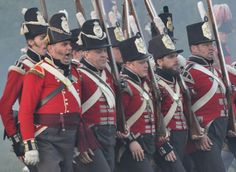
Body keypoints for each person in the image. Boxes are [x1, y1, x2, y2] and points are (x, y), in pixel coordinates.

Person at [18, 11, 81, 172]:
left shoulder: (75, 71)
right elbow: (25, 111)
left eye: (69, 44)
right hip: (46, 138)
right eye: (63, 45)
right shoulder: (38, 72)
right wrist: (30, 143)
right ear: (51, 48)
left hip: (70, 136)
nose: (69, 48)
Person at [0, 7, 48, 169]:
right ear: (30, 42)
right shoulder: (22, 67)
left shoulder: (51, 64)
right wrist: (17, 140)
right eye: (42, 37)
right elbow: (5, 106)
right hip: (33, 135)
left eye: (48, 37)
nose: (47, 41)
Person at [182, 21, 228, 172]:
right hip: (205, 133)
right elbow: (184, 107)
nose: (211, 48)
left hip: (220, 131)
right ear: (193, 48)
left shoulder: (213, 70)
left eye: (211, 44)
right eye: (205, 44)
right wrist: (198, 133)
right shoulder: (189, 72)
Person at [74, 19, 116, 172]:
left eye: (105, 51)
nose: (104, 55)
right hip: (91, 136)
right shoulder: (78, 74)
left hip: (110, 135)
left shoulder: (109, 74)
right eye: (98, 52)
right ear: (85, 53)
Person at [116, 34, 156, 172]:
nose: (146, 66)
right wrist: (131, 141)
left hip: (147, 143)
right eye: (141, 62)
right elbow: (118, 119)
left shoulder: (143, 84)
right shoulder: (125, 86)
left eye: (146, 62)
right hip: (132, 147)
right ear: (128, 64)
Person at [148, 34, 188, 172]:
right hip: (166, 139)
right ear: (159, 62)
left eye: (175, 56)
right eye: (170, 57)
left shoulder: (177, 80)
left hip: (183, 138)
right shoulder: (153, 84)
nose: (176, 60)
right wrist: (162, 144)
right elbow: (151, 117)